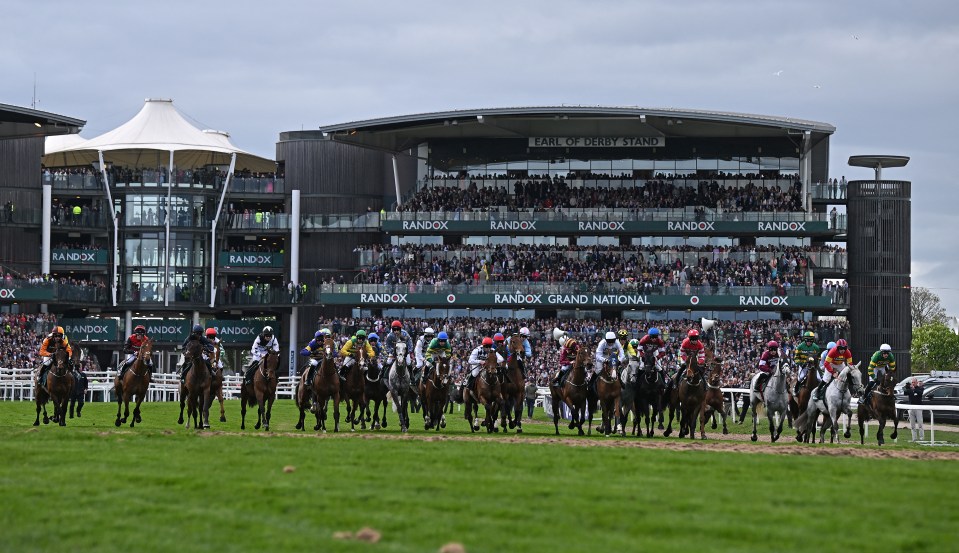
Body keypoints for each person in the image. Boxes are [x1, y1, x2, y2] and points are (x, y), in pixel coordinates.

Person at [793, 331, 822, 395]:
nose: (809, 342)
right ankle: (796, 389)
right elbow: (796, 358)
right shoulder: (799, 347)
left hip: (813, 366)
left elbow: (819, 358)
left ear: (813, 340)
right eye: (807, 340)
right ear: (804, 340)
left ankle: (821, 391)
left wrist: (816, 363)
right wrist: (801, 363)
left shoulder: (816, 347)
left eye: (810, 340)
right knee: (801, 377)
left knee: (819, 378)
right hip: (804, 366)